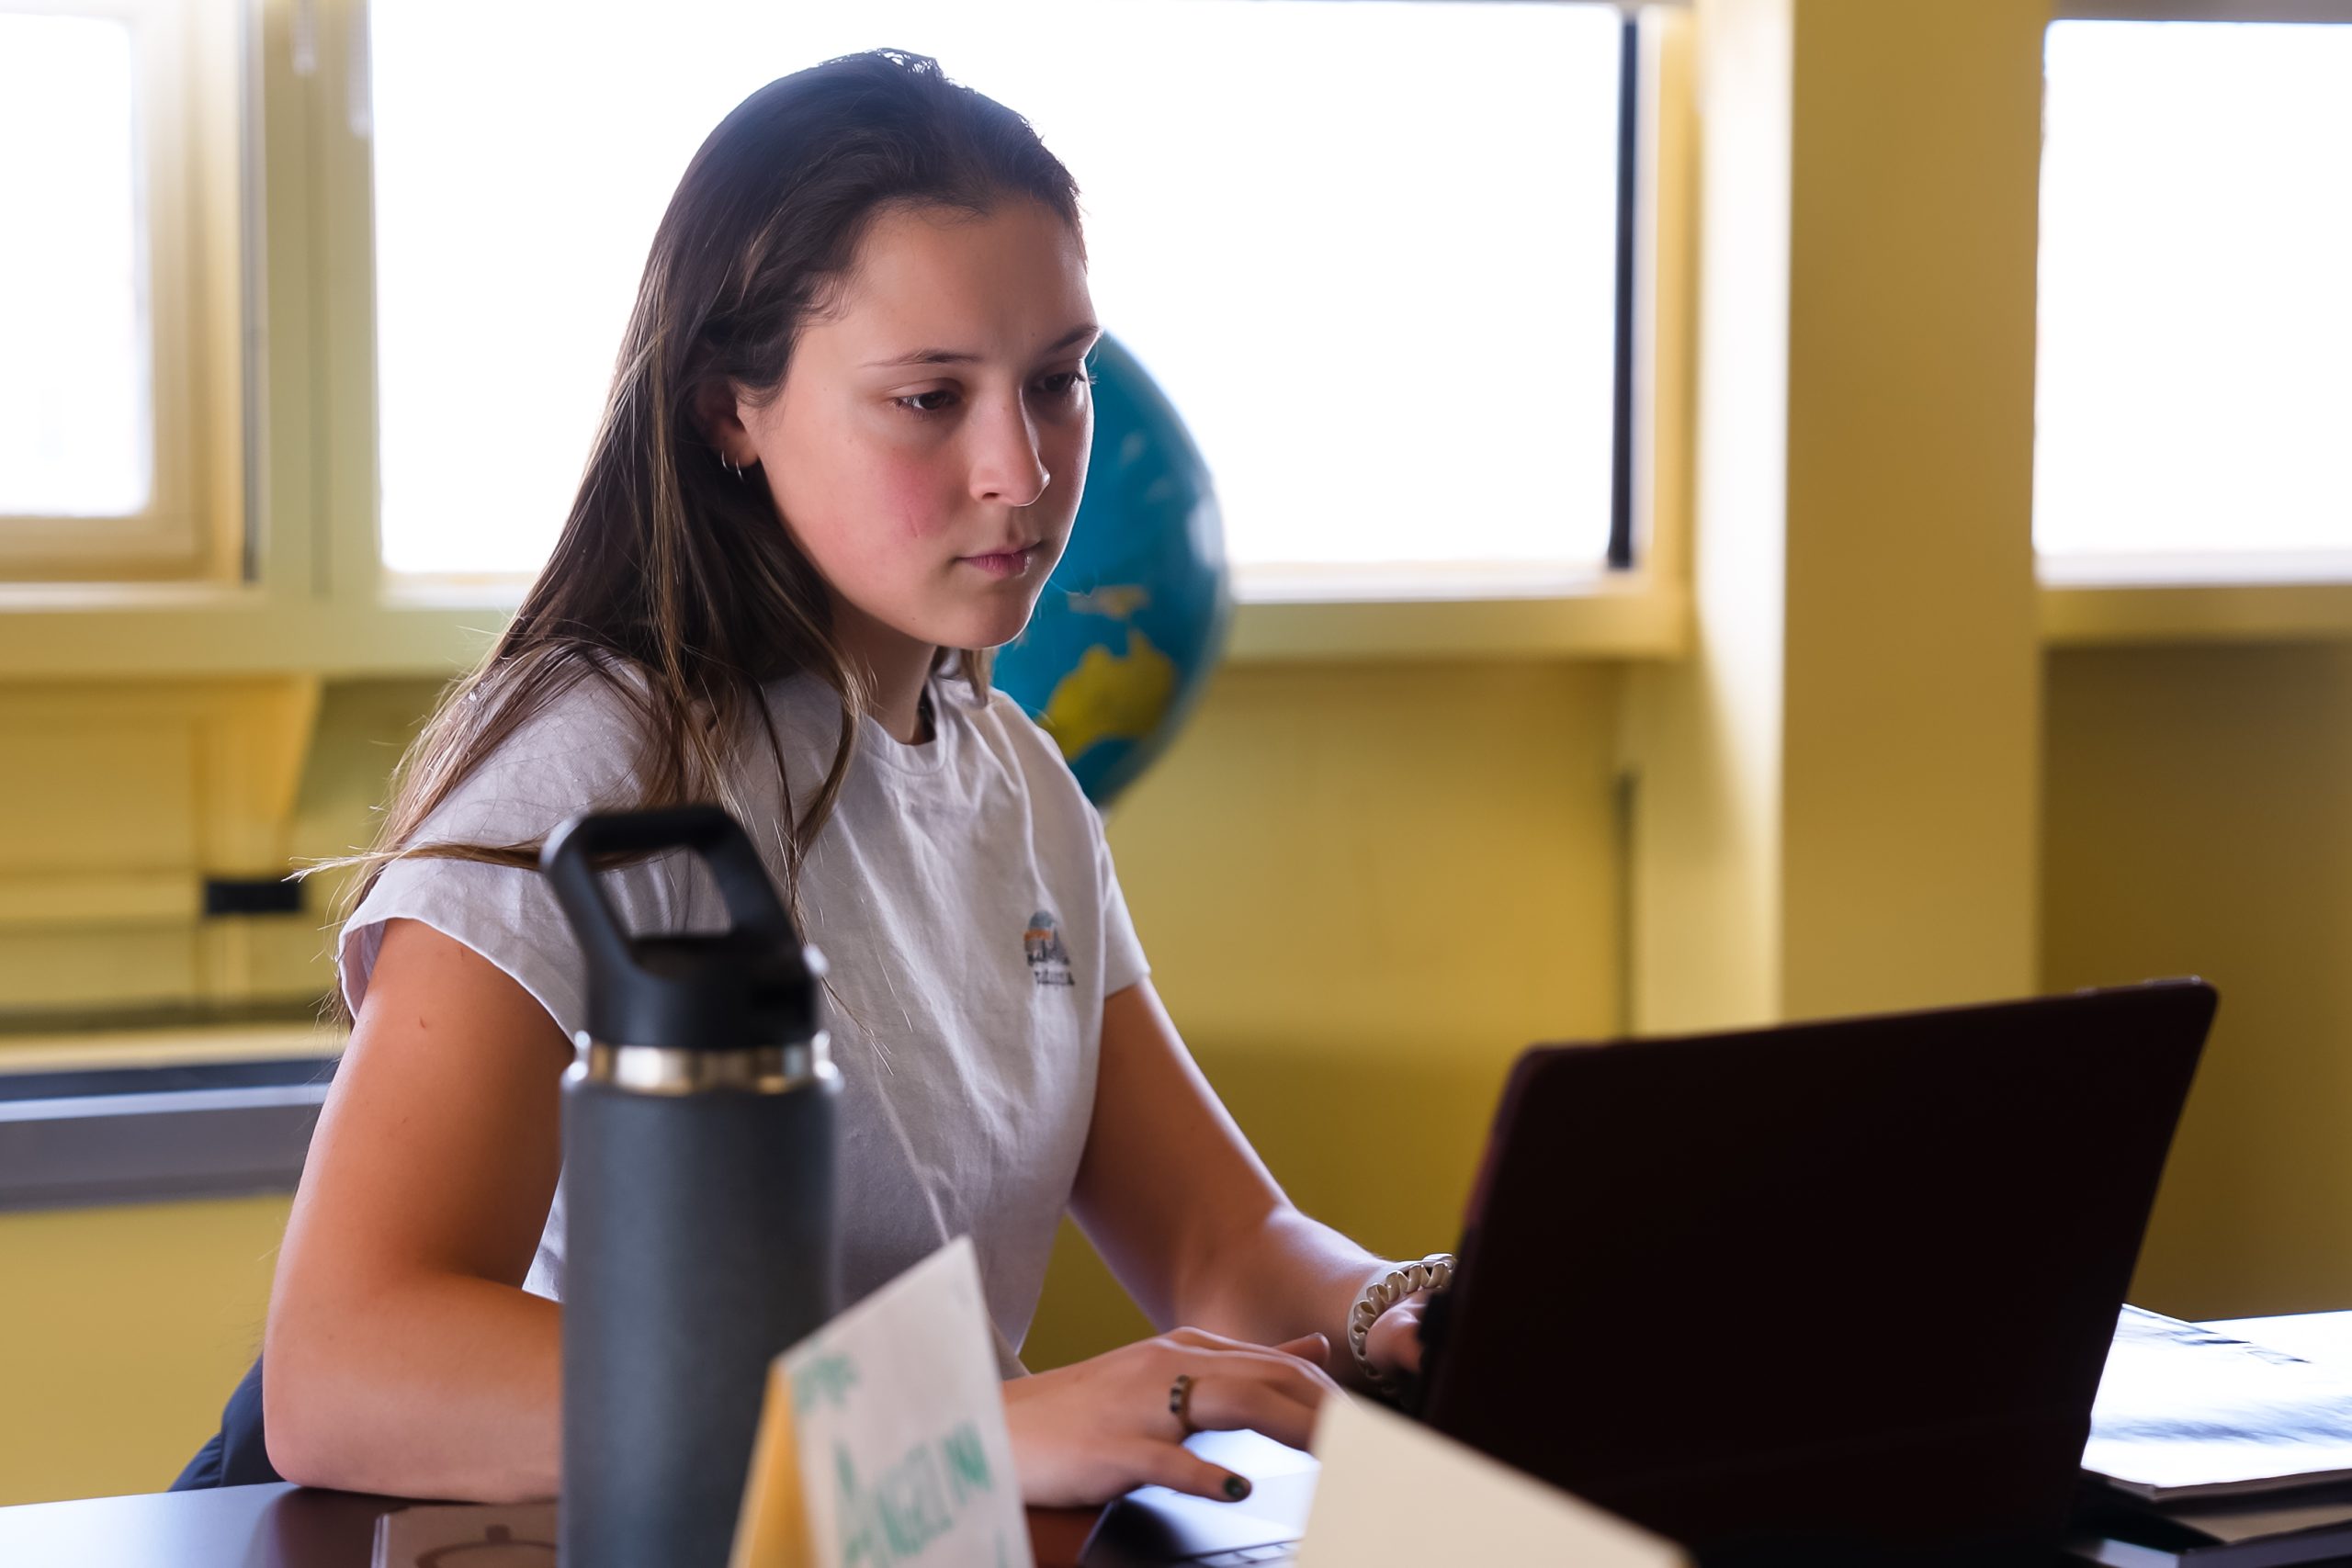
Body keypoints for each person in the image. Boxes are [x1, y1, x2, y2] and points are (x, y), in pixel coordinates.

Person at [258, 48, 1445, 1511]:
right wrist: (959, 1427)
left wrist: (1406, 1306)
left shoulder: (1019, 781)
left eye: (1057, 382)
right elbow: (345, 1366)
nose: (1021, 470)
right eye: (929, 398)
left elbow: (1224, 1242)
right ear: (729, 411)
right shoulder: (595, 758)